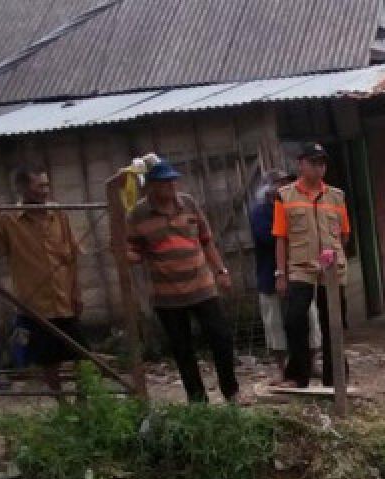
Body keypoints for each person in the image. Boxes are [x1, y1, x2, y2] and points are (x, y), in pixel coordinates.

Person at [127, 160, 246, 404]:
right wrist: (129, 255)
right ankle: (197, 399)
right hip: (167, 295)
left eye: (173, 180)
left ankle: (231, 390)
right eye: (164, 182)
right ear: (151, 186)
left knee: (221, 337)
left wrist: (221, 270)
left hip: (202, 287)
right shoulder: (138, 214)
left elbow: (206, 240)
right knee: (182, 349)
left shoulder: (188, 204)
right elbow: (131, 249)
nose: (171, 186)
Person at [0, 167, 84, 394]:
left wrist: (77, 292)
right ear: (22, 189)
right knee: (48, 361)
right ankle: (63, 406)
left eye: (46, 185)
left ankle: (83, 401)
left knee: (81, 356)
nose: (45, 192)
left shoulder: (59, 215)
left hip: (65, 298)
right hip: (36, 305)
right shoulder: (8, 220)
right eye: (39, 187)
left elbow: (72, 255)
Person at [273, 143, 352, 388]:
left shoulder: (336, 196)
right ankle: (299, 375)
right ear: (301, 164)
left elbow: (345, 234)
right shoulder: (285, 195)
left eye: (323, 163)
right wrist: (281, 274)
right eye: (314, 162)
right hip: (300, 267)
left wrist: (333, 252)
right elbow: (280, 238)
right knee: (294, 320)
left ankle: (335, 376)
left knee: (333, 323)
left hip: (331, 270)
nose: (320, 168)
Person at [250, 169, 320, 380]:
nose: (285, 188)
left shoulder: (296, 207)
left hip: (301, 272)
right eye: (279, 184)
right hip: (270, 275)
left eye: (287, 183)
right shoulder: (261, 212)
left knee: (310, 319)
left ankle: (312, 363)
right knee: (275, 325)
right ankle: (282, 369)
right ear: (269, 190)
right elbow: (269, 238)